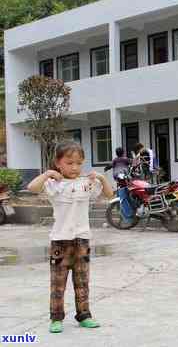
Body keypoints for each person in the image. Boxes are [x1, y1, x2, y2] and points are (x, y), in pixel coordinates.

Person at [27, 141, 114, 333]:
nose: (74, 167)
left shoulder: (87, 183)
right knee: (58, 283)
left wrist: (100, 177)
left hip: (82, 240)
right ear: (58, 163)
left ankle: (84, 315)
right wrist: (48, 173)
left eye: (78, 163)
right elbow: (32, 188)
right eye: (69, 162)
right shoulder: (53, 184)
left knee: (82, 281)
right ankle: (56, 318)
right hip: (60, 241)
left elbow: (109, 194)